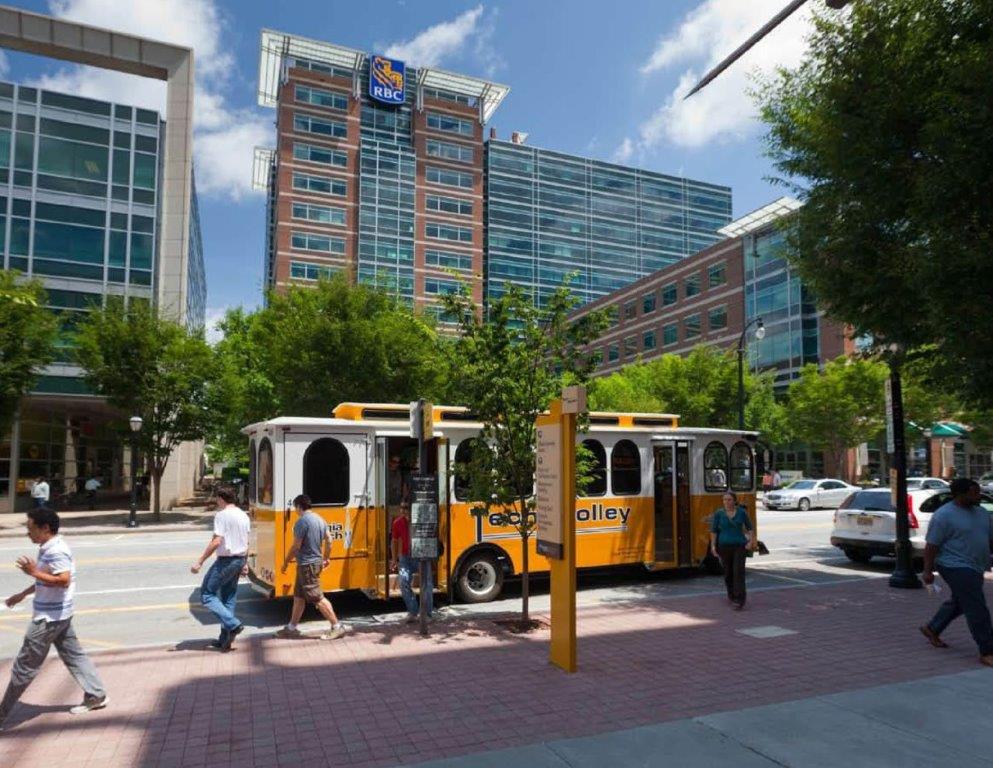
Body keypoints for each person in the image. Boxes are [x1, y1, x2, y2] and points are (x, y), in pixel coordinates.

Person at [0, 507, 108, 731]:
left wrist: (32, 572)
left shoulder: (56, 550)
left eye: (30, 528)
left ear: (45, 528)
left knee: (24, 667)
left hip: (48, 619)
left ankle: (2, 714)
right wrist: (23, 594)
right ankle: (96, 695)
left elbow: (63, 580)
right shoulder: (47, 547)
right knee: (74, 655)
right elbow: (48, 579)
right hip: (60, 614)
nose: (27, 533)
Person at [919, 479, 993, 666]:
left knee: (962, 601)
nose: (979, 496)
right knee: (977, 608)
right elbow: (931, 546)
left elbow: (988, 538)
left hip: (976, 565)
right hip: (954, 565)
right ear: (960, 494)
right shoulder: (943, 516)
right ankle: (987, 650)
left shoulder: (982, 512)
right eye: (974, 493)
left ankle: (932, 628)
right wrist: (927, 571)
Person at [275, 495, 347, 640]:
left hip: (307, 565)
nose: (295, 510)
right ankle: (291, 628)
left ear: (299, 507)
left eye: (295, 507)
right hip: (314, 563)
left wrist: (286, 562)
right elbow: (330, 541)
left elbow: (296, 546)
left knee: (317, 597)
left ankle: (337, 626)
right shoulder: (320, 519)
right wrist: (326, 558)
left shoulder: (302, 522)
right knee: (299, 597)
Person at [191, 488, 250, 651]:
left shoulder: (222, 515)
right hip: (238, 560)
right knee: (228, 599)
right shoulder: (243, 515)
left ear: (221, 499)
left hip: (226, 561)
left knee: (206, 594)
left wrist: (200, 561)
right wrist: (244, 563)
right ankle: (225, 638)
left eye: (217, 499)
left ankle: (233, 624)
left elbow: (217, 541)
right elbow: (246, 541)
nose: (217, 502)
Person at [710, 491, 756, 610]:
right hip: (724, 547)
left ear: (734, 501)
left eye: (729, 499)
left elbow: (750, 528)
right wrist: (713, 546)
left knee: (738, 572)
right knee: (728, 574)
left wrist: (750, 541)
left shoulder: (741, 512)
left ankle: (739, 599)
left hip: (739, 546)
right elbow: (714, 531)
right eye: (725, 500)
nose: (727, 502)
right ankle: (731, 595)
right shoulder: (719, 513)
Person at [391, 500, 432, 623]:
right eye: (401, 508)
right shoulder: (397, 522)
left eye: (406, 508)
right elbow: (394, 541)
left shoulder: (421, 521)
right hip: (405, 557)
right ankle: (413, 611)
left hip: (421, 556)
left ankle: (427, 614)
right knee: (403, 582)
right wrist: (394, 559)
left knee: (427, 583)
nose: (403, 510)